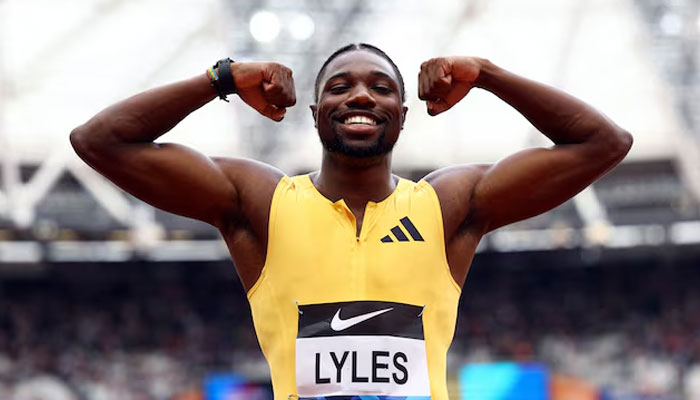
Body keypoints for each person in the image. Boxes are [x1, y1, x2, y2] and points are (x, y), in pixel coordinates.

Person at [70, 43, 632, 400]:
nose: (360, 94)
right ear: (315, 115)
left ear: (402, 116)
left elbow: (604, 143)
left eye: (381, 87)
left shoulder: (446, 205)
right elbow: (99, 142)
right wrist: (221, 78)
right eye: (339, 87)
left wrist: (487, 74)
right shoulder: (262, 202)